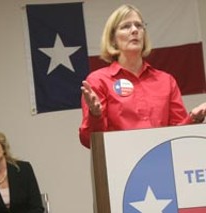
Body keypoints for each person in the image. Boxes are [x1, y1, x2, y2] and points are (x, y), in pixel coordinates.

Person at [79, 4, 206, 148]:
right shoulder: (98, 81)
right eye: (126, 26)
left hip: (163, 162)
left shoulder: (166, 81)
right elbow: (89, 141)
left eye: (139, 26)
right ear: (113, 39)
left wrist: (194, 118)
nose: (134, 30)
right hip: (121, 165)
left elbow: (178, 136)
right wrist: (95, 114)